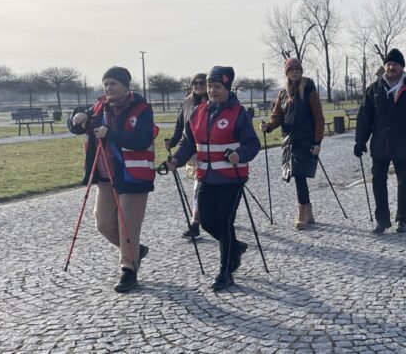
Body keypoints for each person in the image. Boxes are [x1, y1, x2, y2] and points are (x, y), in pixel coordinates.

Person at [167, 66, 261, 291]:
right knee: (205, 220)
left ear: (227, 88)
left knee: (224, 221)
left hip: (231, 177)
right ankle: (234, 247)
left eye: (217, 87)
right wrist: (176, 161)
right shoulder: (198, 112)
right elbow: (188, 143)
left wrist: (240, 155)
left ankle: (225, 271)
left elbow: (252, 144)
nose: (211, 90)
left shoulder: (238, 113)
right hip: (205, 176)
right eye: (209, 86)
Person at [68, 66, 155, 293]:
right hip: (105, 175)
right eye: (105, 84)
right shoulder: (99, 107)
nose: (108, 88)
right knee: (104, 224)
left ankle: (128, 269)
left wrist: (111, 134)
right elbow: (77, 127)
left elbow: (142, 139)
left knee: (127, 226)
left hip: (132, 176)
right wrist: (78, 116)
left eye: (113, 84)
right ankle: (136, 251)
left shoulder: (141, 108)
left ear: (125, 86)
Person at [354, 49, 406, 234]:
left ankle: (401, 219)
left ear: (401, 67)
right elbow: (364, 117)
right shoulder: (374, 89)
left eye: (395, 64)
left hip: (404, 142)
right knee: (378, 181)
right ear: (384, 67)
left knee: (404, 183)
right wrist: (360, 141)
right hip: (380, 143)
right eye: (388, 64)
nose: (391, 67)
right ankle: (382, 220)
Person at [260, 58, 325, 230]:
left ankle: (302, 213)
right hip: (289, 141)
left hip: (306, 140)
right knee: (298, 175)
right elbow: (277, 117)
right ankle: (308, 213)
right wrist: (268, 127)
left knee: (299, 174)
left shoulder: (309, 90)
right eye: (291, 69)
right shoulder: (282, 94)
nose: (295, 71)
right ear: (287, 72)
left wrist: (317, 141)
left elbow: (319, 118)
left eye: (298, 68)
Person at [165, 73, 208, 238]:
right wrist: (173, 142)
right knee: (198, 188)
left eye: (202, 82)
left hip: (212, 153)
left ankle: (202, 221)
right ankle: (196, 223)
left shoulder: (214, 101)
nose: (198, 85)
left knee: (205, 188)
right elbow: (180, 127)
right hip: (192, 151)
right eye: (195, 83)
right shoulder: (187, 102)